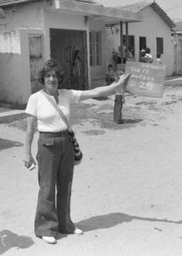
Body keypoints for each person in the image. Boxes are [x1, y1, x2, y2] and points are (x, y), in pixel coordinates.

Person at [23, 59, 129, 244]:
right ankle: (45, 228)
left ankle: (65, 224)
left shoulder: (66, 94)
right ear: (43, 78)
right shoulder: (35, 98)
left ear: (59, 78)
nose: (52, 79)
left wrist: (117, 85)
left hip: (66, 143)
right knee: (47, 187)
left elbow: (95, 92)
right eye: (48, 76)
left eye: (55, 76)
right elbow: (30, 128)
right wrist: (27, 154)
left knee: (65, 185)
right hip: (47, 145)